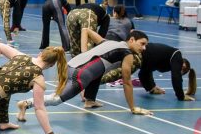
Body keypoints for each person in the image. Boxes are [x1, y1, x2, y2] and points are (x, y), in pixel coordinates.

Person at [18, 30, 150, 119]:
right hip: (81, 74)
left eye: (146, 46)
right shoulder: (127, 53)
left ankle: (90, 100)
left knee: (99, 71)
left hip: (70, 66)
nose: (144, 48)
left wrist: (84, 51)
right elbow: (127, 82)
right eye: (142, 44)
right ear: (131, 40)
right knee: (56, 99)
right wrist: (133, 108)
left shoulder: (109, 42)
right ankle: (26, 103)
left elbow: (86, 30)